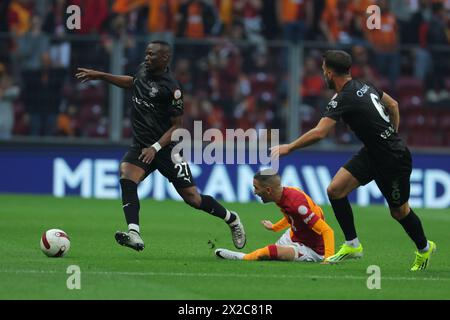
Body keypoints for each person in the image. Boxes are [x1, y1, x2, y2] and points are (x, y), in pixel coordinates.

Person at [271, 50, 436, 271]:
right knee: (335, 190)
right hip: (373, 152)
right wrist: (391, 133)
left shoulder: (343, 98)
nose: (323, 75)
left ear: (330, 72)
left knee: (399, 211)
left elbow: (321, 132)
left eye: (323, 71)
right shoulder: (365, 85)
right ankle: (352, 244)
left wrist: (289, 147)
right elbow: (393, 105)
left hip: (393, 159)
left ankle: (425, 248)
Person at [75, 40, 246, 251]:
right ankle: (134, 233)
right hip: (141, 145)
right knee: (127, 176)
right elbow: (133, 83)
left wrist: (155, 147)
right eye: (146, 54)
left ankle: (231, 219)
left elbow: (177, 127)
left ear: (164, 58)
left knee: (193, 198)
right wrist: (101, 76)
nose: (146, 58)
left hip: (168, 150)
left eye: (151, 55)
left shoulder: (172, 89)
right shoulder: (143, 70)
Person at [215, 169, 334, 262]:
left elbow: (327, 231)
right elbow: (292, 217)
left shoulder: (297, 205)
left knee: (269, 252)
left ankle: (241, 257)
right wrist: (275, 227)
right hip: (294, 234)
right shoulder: (284, 195)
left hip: (311, 248)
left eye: (256, 188)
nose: (255, 192)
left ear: (268, 190)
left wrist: (328, 259)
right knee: (271, 255)